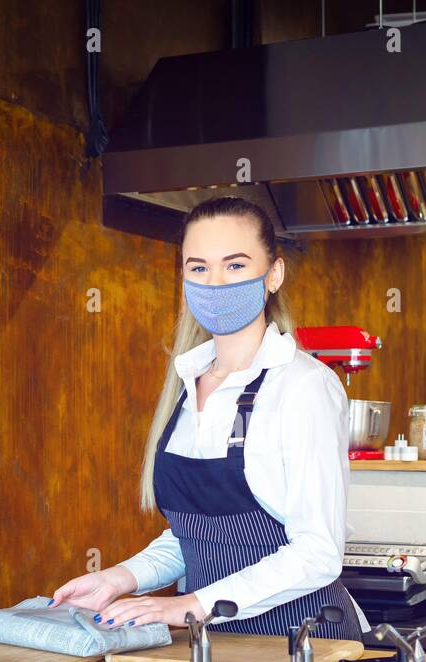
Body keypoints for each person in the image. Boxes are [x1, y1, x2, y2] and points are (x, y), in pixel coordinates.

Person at [49, 196, 366, 639]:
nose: (214, 283)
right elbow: (200, 538)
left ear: (273, 274)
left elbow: (318, 553)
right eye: (198, 268)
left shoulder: (303, 386)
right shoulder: (185, 383)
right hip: (214, 645)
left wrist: (188, 606)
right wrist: (117, 579)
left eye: (234, 266)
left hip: (304, 645)